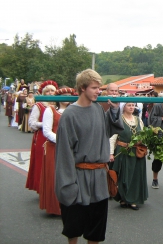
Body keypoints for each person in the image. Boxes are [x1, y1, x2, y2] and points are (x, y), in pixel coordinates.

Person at [55, 69, 124, 244]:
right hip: (78, 178)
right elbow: (64, 154)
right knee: (74, 227)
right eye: (94, 87)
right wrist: (68, 185)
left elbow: (105, 132)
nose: (98, 91)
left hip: (99, 179)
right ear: (82, 88)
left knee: (96, 230)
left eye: (99, 87)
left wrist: (114, 112)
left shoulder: (98, 110)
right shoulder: (69, 115)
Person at [39, 86, 75, 215]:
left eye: (69, 95)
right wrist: (63, 141)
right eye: (64, 95)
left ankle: (69, 204)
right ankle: (55, 207)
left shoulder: (74, 110)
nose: (67, 98)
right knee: (54, 175)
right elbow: (47, 131)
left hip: (71, 148)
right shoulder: (51, 110)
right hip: (54, 147)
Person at [111, 102, 148, 210]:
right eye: (129, 105)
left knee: (135, 176)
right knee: (123, 176)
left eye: (133, 105)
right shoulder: (119, 120)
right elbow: (113, 137)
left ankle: (133, 200)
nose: (132, 107)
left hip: (136, 151)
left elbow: (143, 134)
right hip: (123, 151)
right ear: (124, 107)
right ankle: (123, 198)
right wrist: (110, 153)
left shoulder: (138, 119)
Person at [26, 80, 58, 193]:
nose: (50, 93)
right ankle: (41, 188)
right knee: (42, 162)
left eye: (52, 91)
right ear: (44, 93)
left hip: (56, 136)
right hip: (41, 137)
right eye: (48, 91)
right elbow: (32, 123)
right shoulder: (39, 105)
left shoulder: (58, 105)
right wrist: (46, 124)